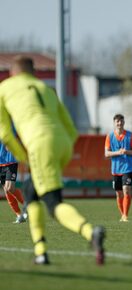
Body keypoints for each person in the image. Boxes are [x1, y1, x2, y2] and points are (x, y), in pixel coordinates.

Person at [0, 56, 105, 265]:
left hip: (39, 145)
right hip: (62, 143)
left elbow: (5, 135)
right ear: (33, 73)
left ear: (13, 72)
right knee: (30, 191)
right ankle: (41, 251)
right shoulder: (45, 88)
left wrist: (24, 157)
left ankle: (90, 232)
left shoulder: (5, 88)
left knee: (53, 203)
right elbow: (71, 129)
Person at [105, 114, 132, 222]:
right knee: (118, 193)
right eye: (117, 121)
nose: (119, 123)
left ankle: (125, 215)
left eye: (121, 121)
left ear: (124, 122)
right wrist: (117, 152)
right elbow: (106, 153)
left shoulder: (131, 136)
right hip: (115, 169)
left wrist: (126, 151)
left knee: (126, 190)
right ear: (114, 123)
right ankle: (122, 214)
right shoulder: (109, 136)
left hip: (128, 167)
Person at [0, 140, 26, 223]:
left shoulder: (10, 127)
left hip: (10, 160)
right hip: (1, 163)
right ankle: (19, 215)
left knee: (10, 188)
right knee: (6, 191)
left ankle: (27, 205)